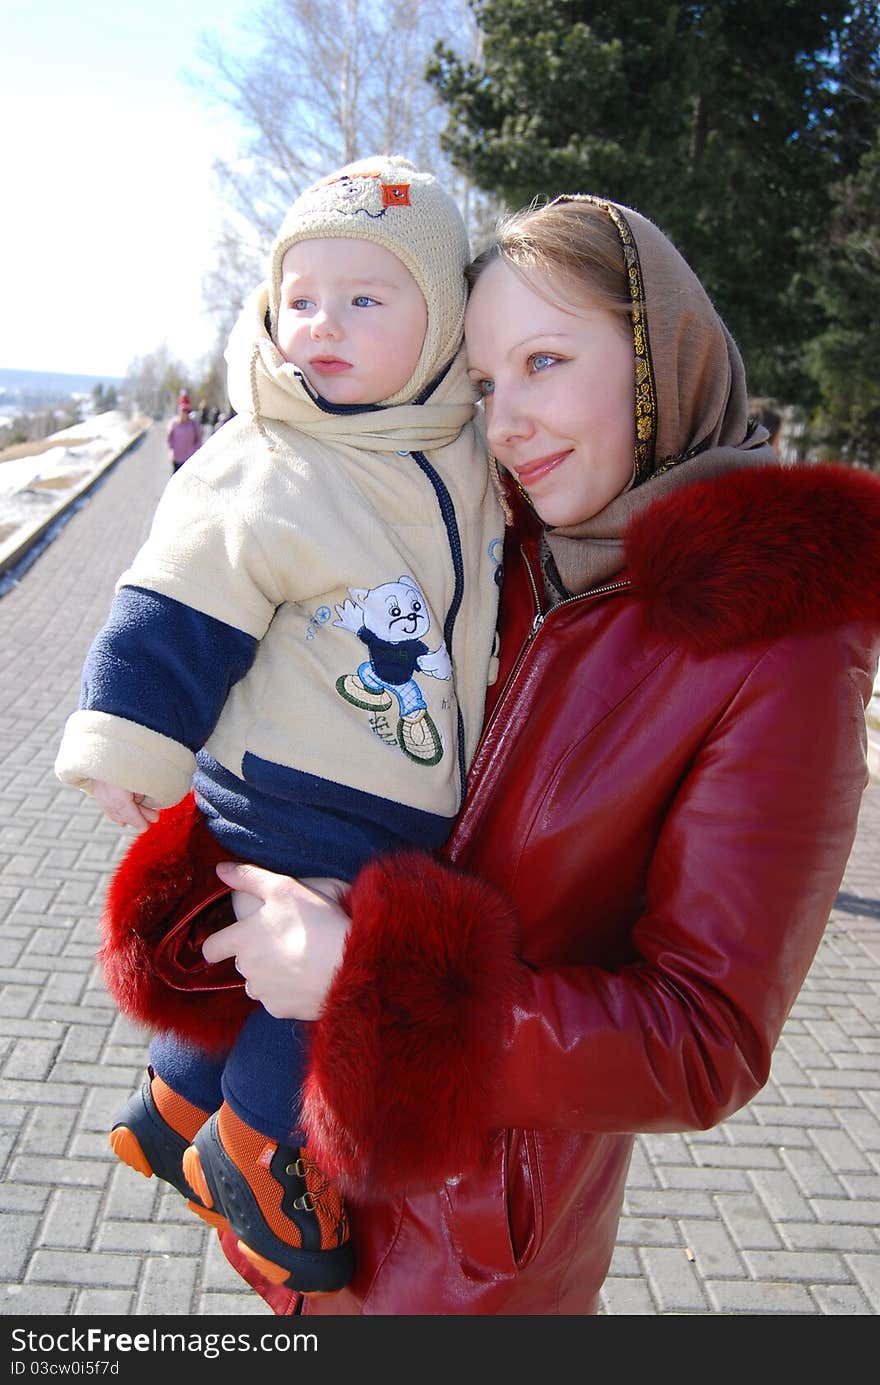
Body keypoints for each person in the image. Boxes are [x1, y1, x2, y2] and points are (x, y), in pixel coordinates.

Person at [187, 192, 880, 1317]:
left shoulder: (778, 642)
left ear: (659, 362)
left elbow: (702, 1040)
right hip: (310, 1196)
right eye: (481, 383)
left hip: (471, 1266)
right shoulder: (488, 551)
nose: (505, 421)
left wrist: (369, 981)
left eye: (545, 360)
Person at [53, 155, 503, 1296]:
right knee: (322, 968)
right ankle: (259, 1146)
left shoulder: (461, 447)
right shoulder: (272, 453)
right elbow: (176, 598)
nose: (322, 327)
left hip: (376, 773)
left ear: (443, 322)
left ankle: (174, 1101)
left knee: (256, 960)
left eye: (366, 300)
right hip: (303, 784)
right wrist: (125, 734)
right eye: (299, 299)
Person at [166, 391, 202, 471]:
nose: (183, 414)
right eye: (182, 412)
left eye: (186, 412)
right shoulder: (174, 424)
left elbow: (199, 439)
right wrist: (172, 450)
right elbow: (169, 438)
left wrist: (196, 451)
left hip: (190, 458)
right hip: (177, 458)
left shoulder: (193, 425)